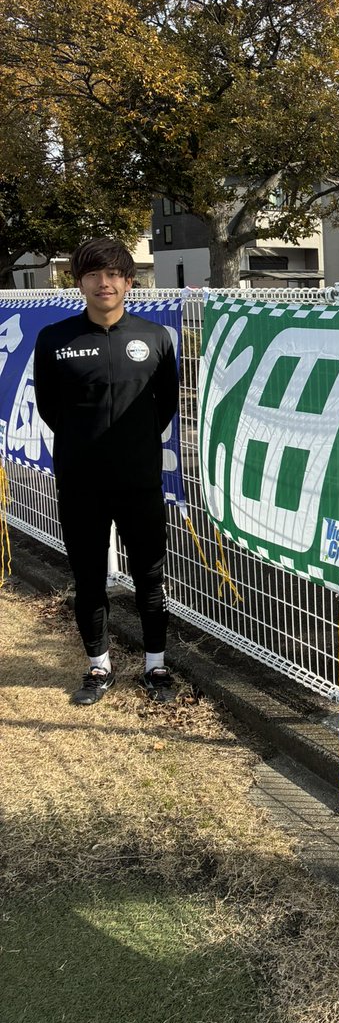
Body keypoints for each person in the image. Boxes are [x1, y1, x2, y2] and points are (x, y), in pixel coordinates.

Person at [33, 238, 180, 705]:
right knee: (89, 575)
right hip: (81, 483)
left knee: (150, 577)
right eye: (94, 274)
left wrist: (129, 446)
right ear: (79, 282)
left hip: (139, 482)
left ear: (129, 282)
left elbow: (166, 406)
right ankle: (98, 665)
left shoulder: (156, 337)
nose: (104, 283)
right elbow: (50, 407)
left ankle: (156, 665)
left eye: (114, 274)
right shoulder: (55, 338)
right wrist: (89, 443)